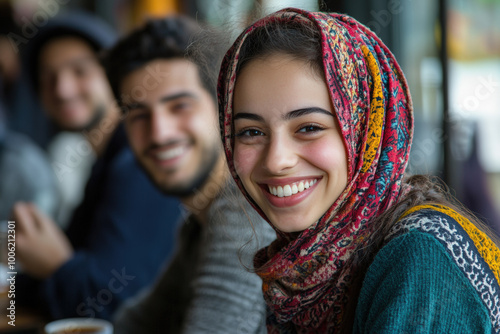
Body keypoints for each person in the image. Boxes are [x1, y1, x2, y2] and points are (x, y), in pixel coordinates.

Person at [217, 8, 500, 333]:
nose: (276, 160)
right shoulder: (306, 267)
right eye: (251, 132)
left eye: (308, 127)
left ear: (368, 134)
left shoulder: (422, 258)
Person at [103, 16, 276, 333]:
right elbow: (133, 324)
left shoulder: (247, 211)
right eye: (139, 114)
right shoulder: (197, 225)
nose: (159, 133)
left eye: (179, 106)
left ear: (224, 110)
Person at [13, 11, 181, 320]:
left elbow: (111, 305)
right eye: (48, 76)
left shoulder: (139, 161)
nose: (62, 89)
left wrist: (56, 265)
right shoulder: (105, 162)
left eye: (79, 71)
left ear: (114, 76)